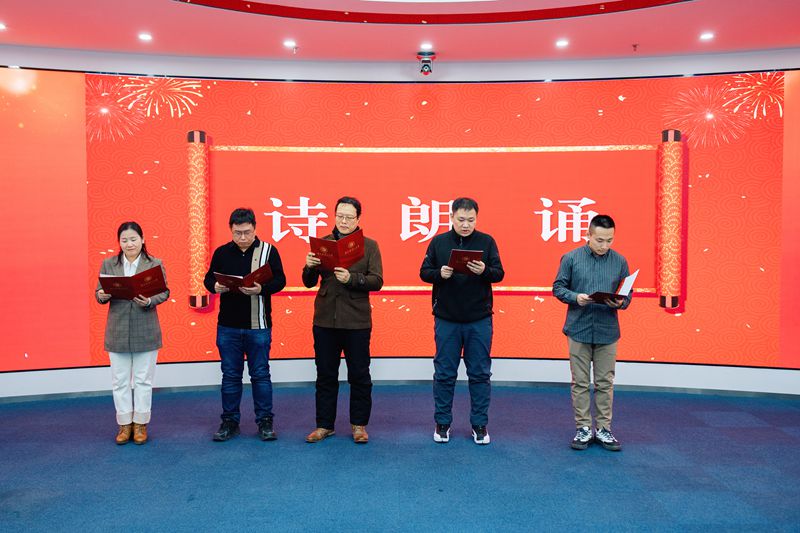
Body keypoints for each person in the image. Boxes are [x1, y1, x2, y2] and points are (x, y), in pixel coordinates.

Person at [419, 197, 504, 445]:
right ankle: (442, 422)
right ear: (451, 217)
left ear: (476, 219)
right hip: (447, 319)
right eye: (461, 220)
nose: (466, 225)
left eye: (471, 220)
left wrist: (484, 271)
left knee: (480, 374)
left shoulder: (487, 242)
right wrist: (439, 274)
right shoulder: (439, 242)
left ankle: (479, 424)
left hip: (479, 319)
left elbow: (499, 273)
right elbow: (424, 272)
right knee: (444, 373)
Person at [302, 197, 383, 444]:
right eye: (340, 216)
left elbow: (377, 281)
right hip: (325, 319)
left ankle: (359, 425)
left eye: (349, 217)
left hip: (357, 321)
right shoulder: (323, 244)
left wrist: (352, 279)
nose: (344, 221)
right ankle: (324, 425)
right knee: (325, 375)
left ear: (358, 219)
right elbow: (308, 282)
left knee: (359, 375)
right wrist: (309, 266)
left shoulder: (369, 246)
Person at [204, 208, 286, 442]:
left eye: (247, 232)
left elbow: (281, 280)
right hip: (228, 325)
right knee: (230, 375)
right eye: (237, 233)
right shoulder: (222, 252)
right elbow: (209, 278)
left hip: (258, 324)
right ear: (231, 230)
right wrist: (214, 286)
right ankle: (230, 422)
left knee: (260, 374)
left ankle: (265, 421)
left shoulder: (268, 251)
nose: (242, 237)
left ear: (255, 229)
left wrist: (262, 289)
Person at [553, 214, 631, 452]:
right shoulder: (571, 258)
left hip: (608, 329)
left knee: (605, 382)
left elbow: (627, 293)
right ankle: (584, 428)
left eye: (609, 240)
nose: (604, 245)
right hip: (578, 327)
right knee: (580, 382)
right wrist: (576, 297)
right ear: (588, 235)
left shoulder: (620, 261)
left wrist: (621, 302)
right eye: (599, 240)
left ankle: (604, 429)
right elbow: (558, 287)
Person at [95, 221, 170, 445]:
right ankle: (124, 424)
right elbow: (98, 292)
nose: (129, 244)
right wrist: (102, 295)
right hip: (117, 329)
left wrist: (149, 301)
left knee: (143, 380)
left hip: (146, 328)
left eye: (133, 239)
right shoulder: (109, 263)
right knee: (119, 381)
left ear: (142, 239)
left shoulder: (154, 264)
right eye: (124, 240)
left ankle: (140, 424)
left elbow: (165, 292)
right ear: (119, 242)